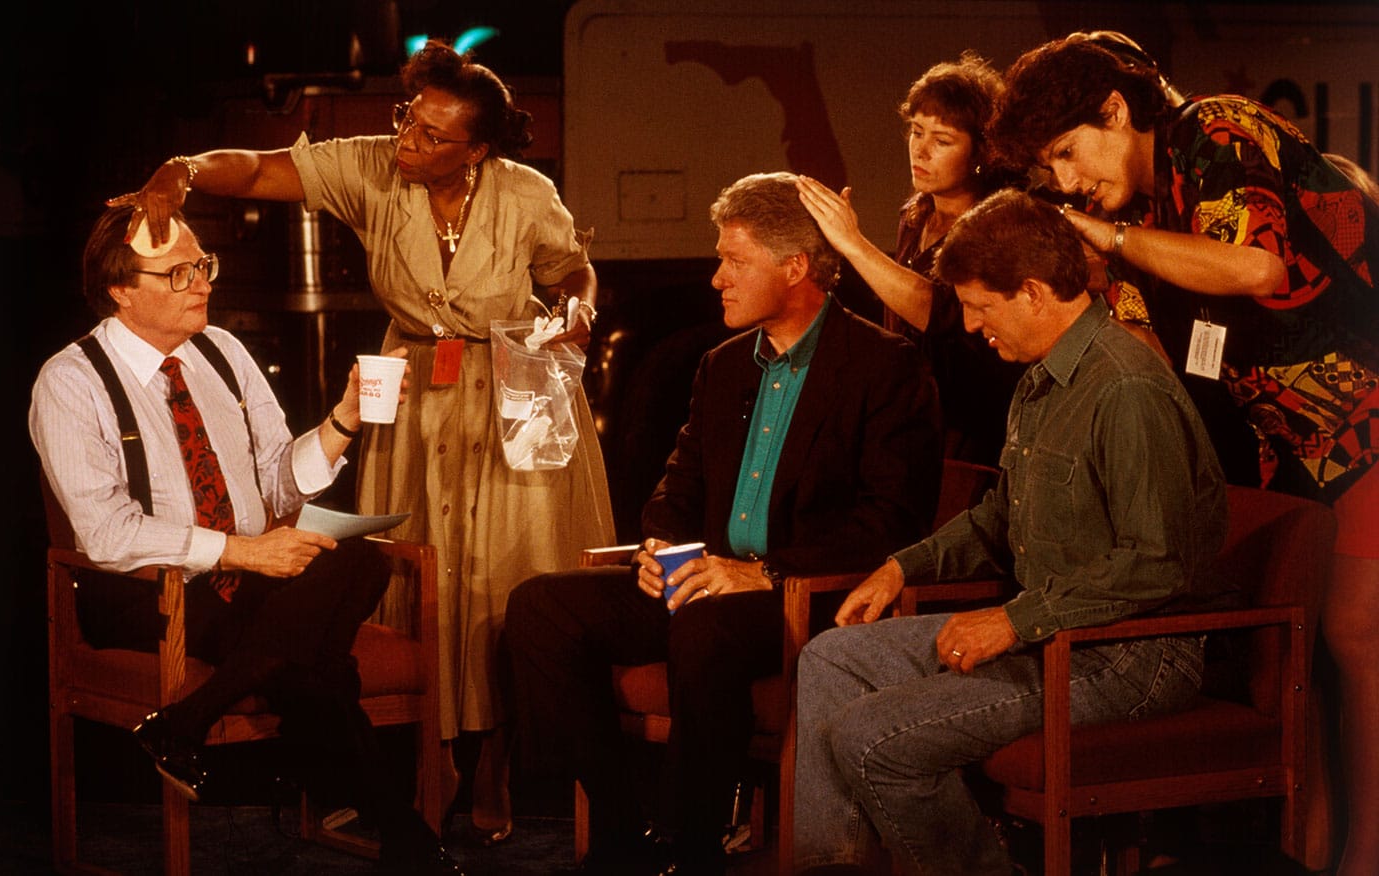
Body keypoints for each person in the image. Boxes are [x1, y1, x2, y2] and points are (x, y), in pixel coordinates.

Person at [108, 40, 615, 844]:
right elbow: (262, 169)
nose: (410, 142)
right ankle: (431, 760)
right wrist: (185, 167)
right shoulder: (375, 168)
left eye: (432, 137)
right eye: (408, 122)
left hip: (514, 396)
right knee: (423, 577)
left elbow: (573, 274)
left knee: (504, 582)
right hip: (418, 399)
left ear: (477, 149)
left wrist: (578, 315)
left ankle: (494, 765)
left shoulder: (526, 194)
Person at [989, 38, 1379, 875]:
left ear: (1116, 111)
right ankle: (1302, 852)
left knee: (1355, 636)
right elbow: (1148, 358)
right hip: (1278, 453)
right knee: (1291, 659)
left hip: (1368, 419)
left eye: (1066, 151)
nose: (1064, 181)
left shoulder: (1215, 128)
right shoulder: (1136, 217)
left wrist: (1112, 236)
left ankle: (1367, 855)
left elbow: (1254, 264)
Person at [506, 172, 943, 875]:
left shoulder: (883, 367)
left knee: (703, 628)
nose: (717, 280)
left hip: (808, 595)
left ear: (795, 268)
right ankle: (623, 827)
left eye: (735, 261)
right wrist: (660, 548)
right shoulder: (721, 364)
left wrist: (763, 574)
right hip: (706, 581)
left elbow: (892, 521)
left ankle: (691, 845)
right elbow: (677, 488)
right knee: (541, 608)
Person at [793, 189, 1230, 876]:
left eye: (978, 307)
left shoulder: (1126, 390)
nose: (968, 326)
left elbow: (1157, 564)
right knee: (830, 658)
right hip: (1051, 633)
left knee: (873, 737)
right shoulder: (1040, 379)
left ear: (1031, 293)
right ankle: (832, 867)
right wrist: (903, 568)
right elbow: (1001, 517)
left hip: (1128, 655)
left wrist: (1013, 620)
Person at [29, 203, 463, 875]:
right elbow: (105, 533)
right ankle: (403, 833)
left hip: (249, 584)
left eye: (203, 266)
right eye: (178, 273)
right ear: (120, 288)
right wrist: (239, 552)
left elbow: (278, 484)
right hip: (146, 591)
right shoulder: (70, 381)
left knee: (359, 564)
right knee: (319, 663)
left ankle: (185, 723)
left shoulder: (223, 354)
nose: (202, 283)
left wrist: (344, 421)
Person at [795, 51, 1022, 465]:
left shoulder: (1000, 221)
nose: (921, 151)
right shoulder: (915, 215)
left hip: (973, 427)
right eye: (916, 132)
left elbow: (941, 313)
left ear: (982, 153)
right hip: (915, 419)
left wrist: (854, 243)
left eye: (942, 140)